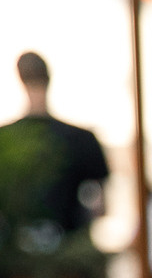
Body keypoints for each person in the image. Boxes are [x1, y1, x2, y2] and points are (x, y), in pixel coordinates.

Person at [0, 51, 109, 232]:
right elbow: (100, 206)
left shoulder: (6, 139)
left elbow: (100, 204)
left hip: (42, 247)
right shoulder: (81, 138)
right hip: (61, 245)